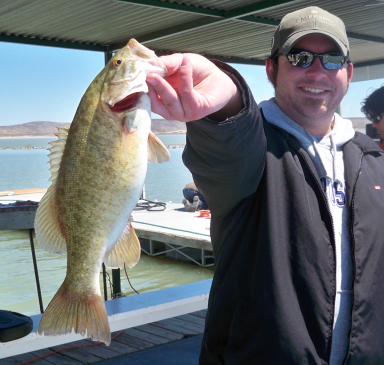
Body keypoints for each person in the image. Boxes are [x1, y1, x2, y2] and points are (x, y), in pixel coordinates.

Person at [147, 6, 384, 364]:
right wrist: (225, 98)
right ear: (271, 68)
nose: (318, 70)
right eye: (300, 57)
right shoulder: (252, 148)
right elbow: (225, 143)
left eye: (332, 59)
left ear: (348, 73)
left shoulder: (373, 159)